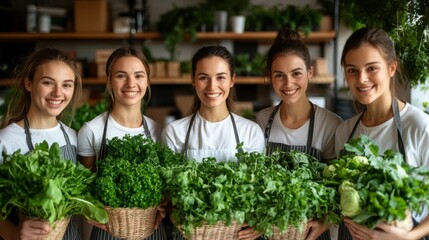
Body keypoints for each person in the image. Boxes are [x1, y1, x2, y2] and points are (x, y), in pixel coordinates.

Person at [161, 45, 265, 240]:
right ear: (192, 80)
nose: (211, 86)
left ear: (232, 80)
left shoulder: (251, 132)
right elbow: (169, 198)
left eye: (220, 77)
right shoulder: (175, 132)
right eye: (203, 77)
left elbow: (258, 192)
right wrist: (178, 218)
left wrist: (260, 223)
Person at [335, 27, 429, 240]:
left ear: (391, 68)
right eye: (352, 70)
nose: (362, 79)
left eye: (372, 68)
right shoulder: (344, 131)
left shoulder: (419, 127)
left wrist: (411, 236)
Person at [255, 28, 342, 240]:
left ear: (310, 73)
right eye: (279, 76)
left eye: (296, 73)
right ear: (270, 78)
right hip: (269, 231)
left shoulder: (330, 124)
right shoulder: (261, 120)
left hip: (311, 234)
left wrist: (326, 221)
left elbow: (338, 187)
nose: (288, 83)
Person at [77, 47, 166, 240]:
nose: (131, 83)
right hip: (107, 232)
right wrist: (90, 210)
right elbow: (84, 188)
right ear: (109, 81)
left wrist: (165, 205)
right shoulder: (92, 131)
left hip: (152, 232)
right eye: (121, 76)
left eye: (139, 76)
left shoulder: (160, 132)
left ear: (147, 81)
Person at [0, 48, 83, 240]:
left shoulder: (74, 137)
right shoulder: (6, 140)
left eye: (67, 85)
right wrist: (12, 233)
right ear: (29, 83)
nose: (58, 93)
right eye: (48, 83)